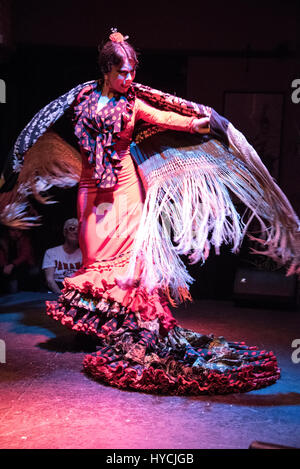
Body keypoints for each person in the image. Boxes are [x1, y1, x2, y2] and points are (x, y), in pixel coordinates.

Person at [1, 29, 299, 394]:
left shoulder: (136, 104)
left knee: (125, 261)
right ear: (106, 71)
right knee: (94, 259)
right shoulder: (79, 98)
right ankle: (103, 329)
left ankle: (130, 332)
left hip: (126, 188)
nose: (130, 79)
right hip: (90, 188)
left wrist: (212, 124)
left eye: (133, 72)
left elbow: (174, 120)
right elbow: (41, 123)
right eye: (123, 72)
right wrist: (16, 163)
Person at [42, 218, 82, 294]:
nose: (76, 232)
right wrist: (61, 296)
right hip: (57, 289)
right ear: (65, 232)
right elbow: (49, 280)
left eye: (79, 229)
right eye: (72, 228)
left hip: (78, 290)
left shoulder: (84, 253)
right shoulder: (51, 252)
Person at [0, 227, 37, 294]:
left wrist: (12, 265)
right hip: (8, 267)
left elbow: (25, 255)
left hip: (23, 266)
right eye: (13, 230)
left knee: (18, 273)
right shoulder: (4, 241)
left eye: (19, 231)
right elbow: (2, 255)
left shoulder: (24, 239)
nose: (16, 233)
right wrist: (5, 266)